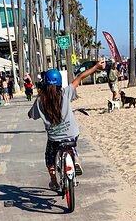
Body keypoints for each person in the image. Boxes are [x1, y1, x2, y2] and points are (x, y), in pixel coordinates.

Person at [28, 61, 106, 189]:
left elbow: (32, 115)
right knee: (71, 144)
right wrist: (96, 66)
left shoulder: (40, 100)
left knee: (49, 157)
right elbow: (80, 77)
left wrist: (31, 111)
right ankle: (74, 158)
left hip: (54, 139)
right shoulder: (65, 93)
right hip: (71, 134)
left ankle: (53, 180)